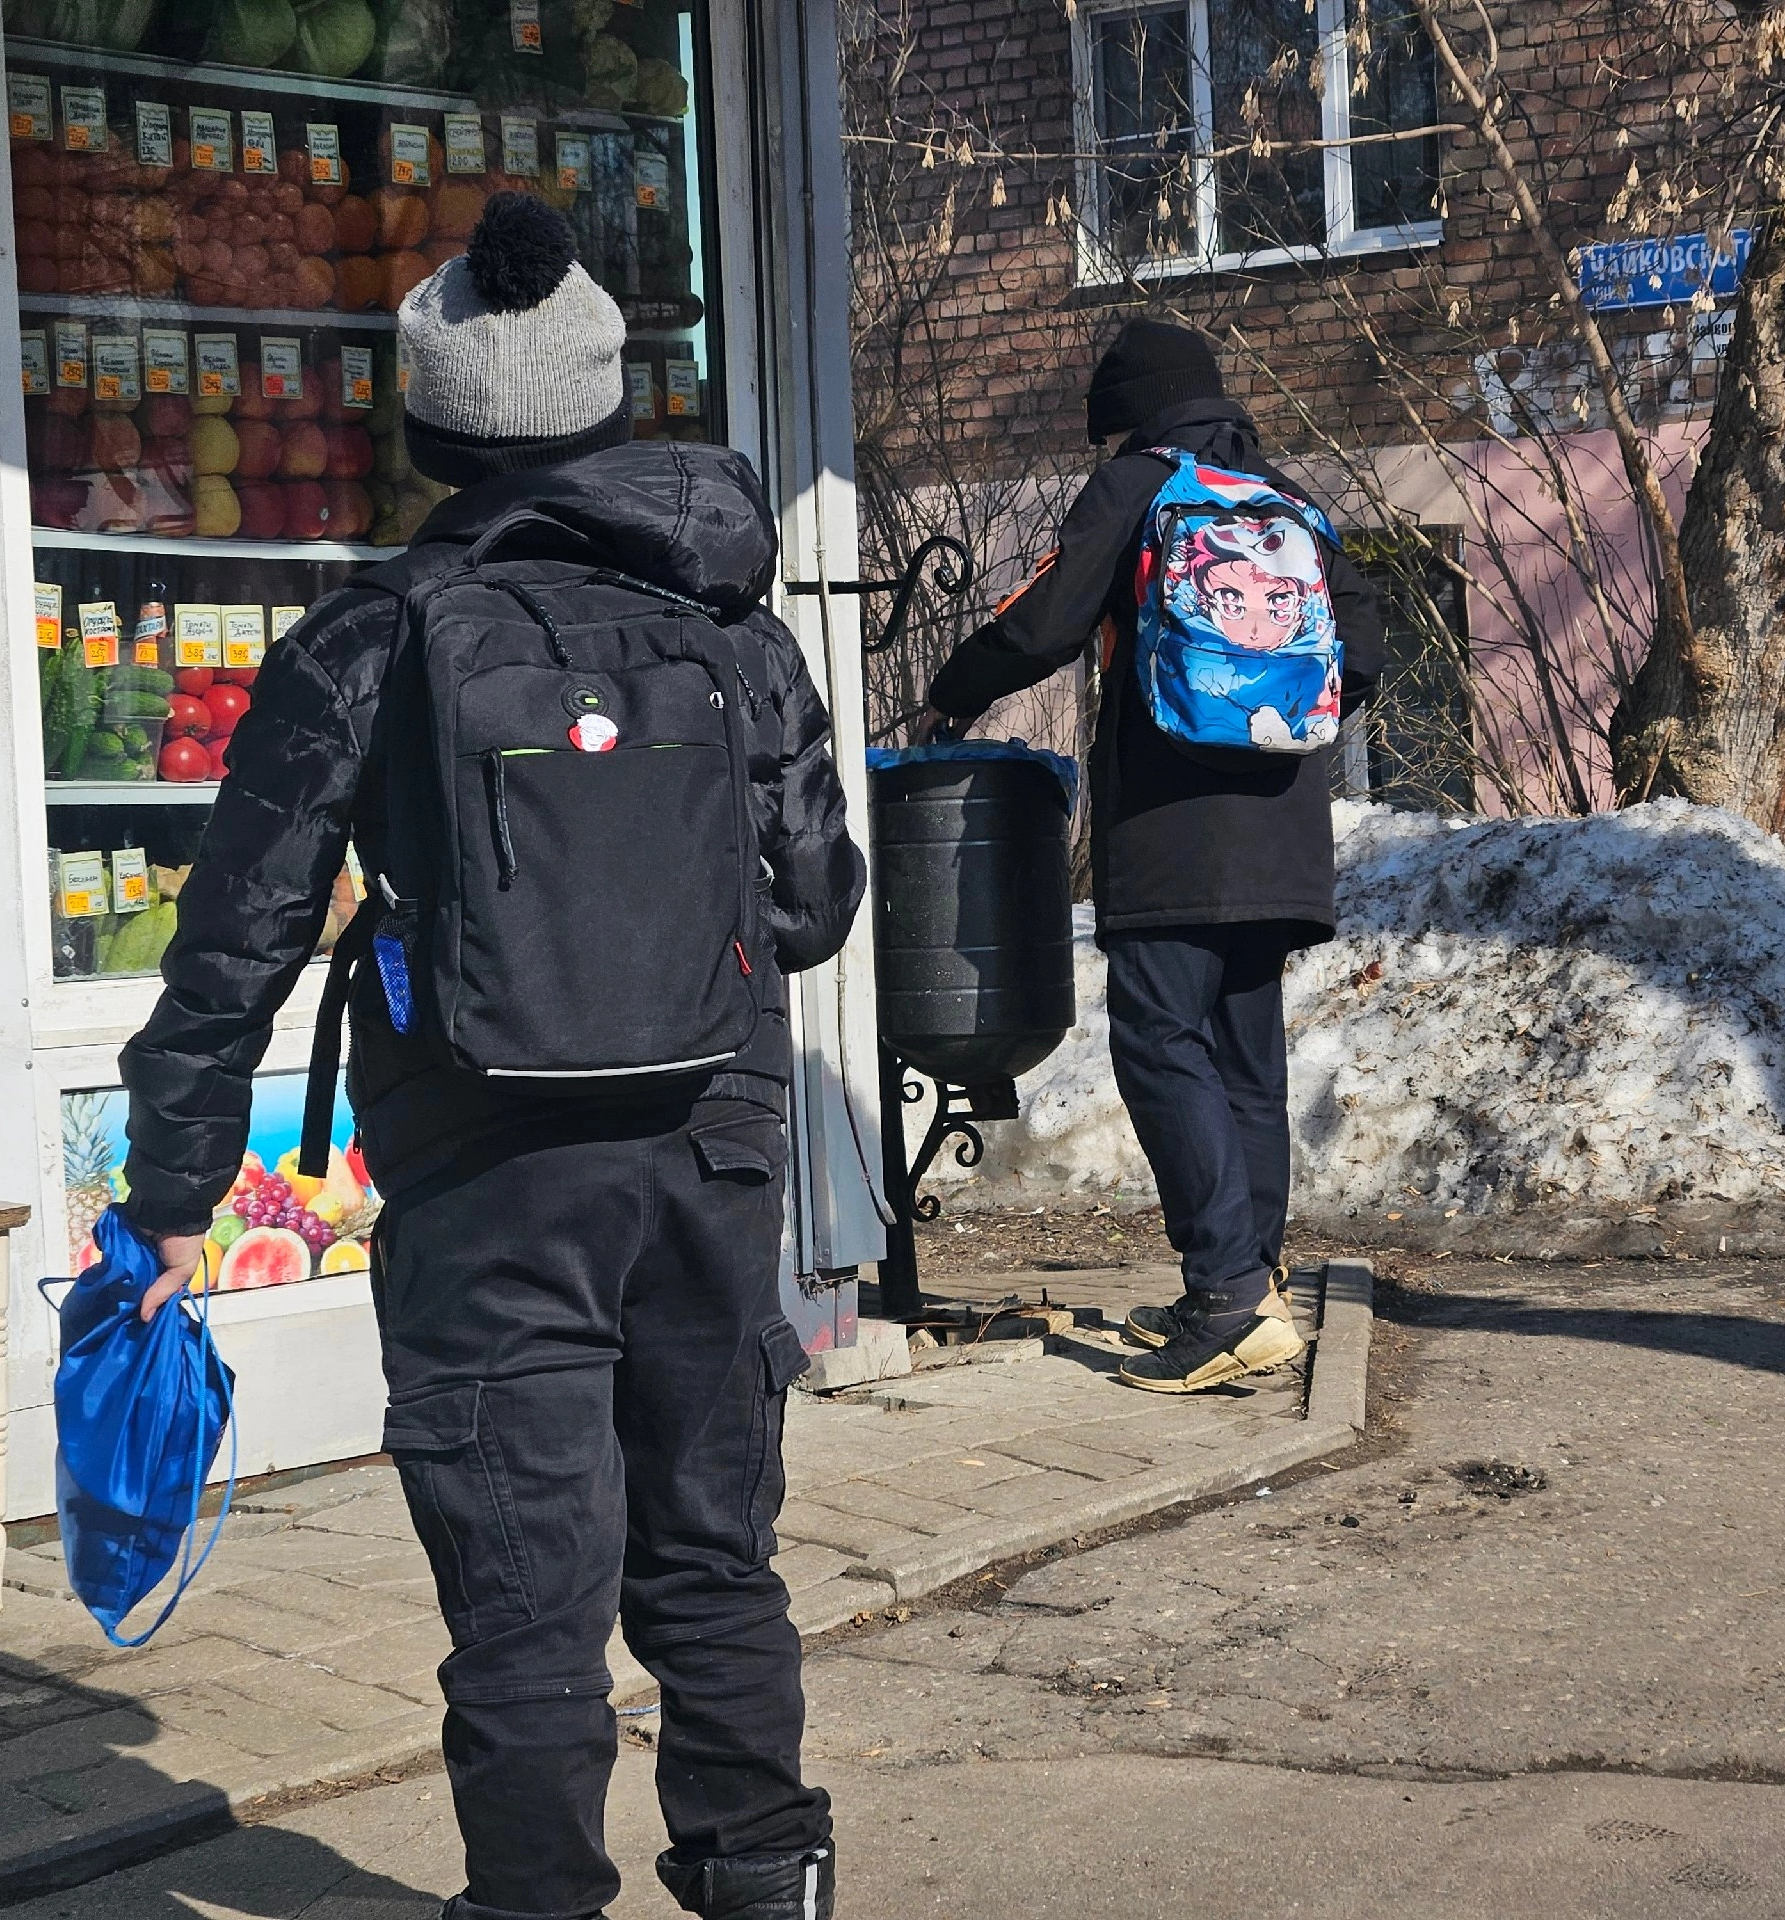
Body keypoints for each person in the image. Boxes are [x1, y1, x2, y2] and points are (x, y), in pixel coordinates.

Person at [116, 195, 865, 1920]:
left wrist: (172, 1194)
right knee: (709, 1560)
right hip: (712, 1148)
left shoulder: (371, 638)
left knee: (529, 1596)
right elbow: (817, 903)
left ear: (432, 423)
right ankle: (768, 1880)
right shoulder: (734, 625)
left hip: (481, 1172)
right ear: (606, 401)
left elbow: (234, 939)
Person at [918, 319, 1384, 1394]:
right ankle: (1248, 1286)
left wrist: (953, 688)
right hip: (1281, 825)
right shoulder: (1287, 501)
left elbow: (1042, 625)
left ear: (1126, 411)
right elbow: (1363, 651)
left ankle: (1225, 1299)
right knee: (1244, 1056)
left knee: (1162, 1044)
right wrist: (1272, 725)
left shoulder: (1138, 488)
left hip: (1172, 830)